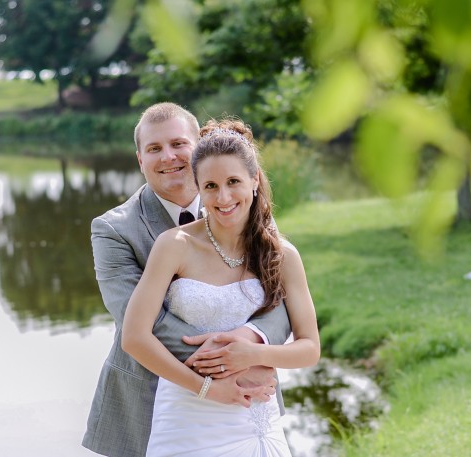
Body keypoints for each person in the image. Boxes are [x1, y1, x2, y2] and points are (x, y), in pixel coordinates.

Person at [83, 103, 292, 456]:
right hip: (148, 403)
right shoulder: (113, 229)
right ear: (140, 160)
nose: (168, 157)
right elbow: (138, 321)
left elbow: (280, 301)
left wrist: (250, 343)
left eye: (178, 144)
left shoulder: (242, 207)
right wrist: (222, 368)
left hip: (248, 393)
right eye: (154, 149)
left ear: (199, 146)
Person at [121, 118, 321, 456]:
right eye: (211, 186)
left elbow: (309, 347)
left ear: (255, 180)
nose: (223, 197)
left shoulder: (281, 255)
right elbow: (135, 338)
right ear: (197, 187)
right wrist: (206, 389)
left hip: (255, 412)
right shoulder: (174, 245)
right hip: (188, 416)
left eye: (233, 182)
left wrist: (254, 353)